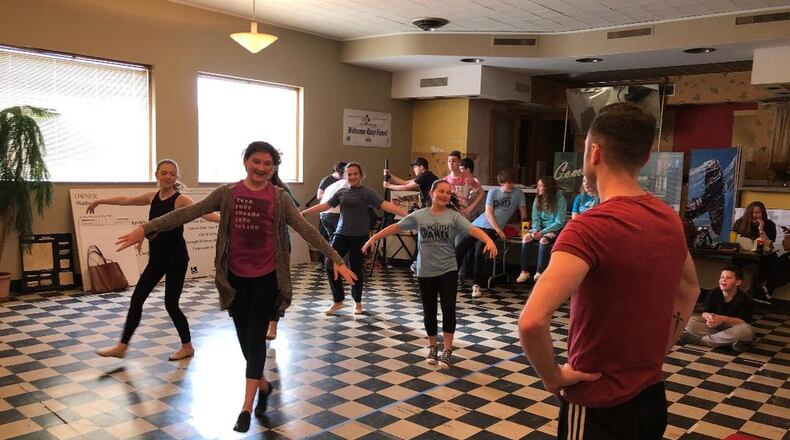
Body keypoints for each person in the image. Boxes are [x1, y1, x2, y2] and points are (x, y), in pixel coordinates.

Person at [115, 142, 356, 433]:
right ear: (246, 162)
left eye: (269, 164)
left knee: (255, 339)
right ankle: (263, 385)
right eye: (257, 162)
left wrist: (335, 258)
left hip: (267, 278)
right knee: (245, 340)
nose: (262, 168)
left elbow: (305, 229)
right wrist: (146, 228)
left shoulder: (279, 198)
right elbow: (186, 214)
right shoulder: (227, 193)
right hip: (235, 279)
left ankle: (246, 407)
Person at [518, 103, 700, 440]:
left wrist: (552, 377)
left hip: (597, 405)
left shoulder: (588, 228)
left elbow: (531, 321)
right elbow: (690, 289)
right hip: (651, 398)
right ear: (645, 157)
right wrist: (662, 347)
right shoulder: (668, 220)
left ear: (594, 152)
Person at [92, 159, 219, 361]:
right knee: (137, 299)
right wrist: (100, 201)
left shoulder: (181, 200)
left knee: (171, 304)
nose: (168, 177)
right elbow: (126, 200)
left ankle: (187, 346)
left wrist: (229, 220)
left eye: (172, 174)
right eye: (164, 173)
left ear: (176, 177)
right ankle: (122, 346)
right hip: (157, 258)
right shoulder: (152, 197)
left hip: (176, 258)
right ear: (156, 175)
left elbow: (207, 214)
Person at [362, 180, 497, 368]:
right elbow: (396, 227)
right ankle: (433, 347)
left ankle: (447, 350)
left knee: (448, 310)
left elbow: (473, 229)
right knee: (429, 311)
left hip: (448, 270)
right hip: (425, 271)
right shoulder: (419, 216)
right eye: (441, 191)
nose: (444, 195)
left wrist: (489, 240)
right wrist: (374, 238)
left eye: (448, 193)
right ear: (432, 193)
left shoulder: (453, 216)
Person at [301, 162, 407, 315]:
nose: (352, 177)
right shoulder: (342, 192)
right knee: (330, 263)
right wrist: (304, 213)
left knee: (355, 268)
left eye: (355, 174)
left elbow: (385, 205)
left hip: (360, 236)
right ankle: (338, 301)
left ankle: (357, 302)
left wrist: (407, 214)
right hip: (341, 233)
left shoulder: (367, 192)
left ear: (360, 175)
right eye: (349, 174)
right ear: (345, 176)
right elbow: (325, 206)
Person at [455, 168, 526, 298]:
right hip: (478, 224)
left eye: (511, 182)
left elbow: (523, 213)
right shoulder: (493, 192)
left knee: (480, 250)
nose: (510, 185)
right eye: (506, 182)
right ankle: (451, 278)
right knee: (460, 246)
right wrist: (500, 231)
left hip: (492, 229)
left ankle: (476, 285)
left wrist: (525, 228)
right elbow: (488, 212)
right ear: (501, 182)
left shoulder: (518, 193)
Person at [680, 266, 755, 353]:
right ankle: (729, 343)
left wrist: (722, 318)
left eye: (728, 278)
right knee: (690, 321)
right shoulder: (713, 293)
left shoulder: (745, 299)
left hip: (734, 328)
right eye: (722, 277)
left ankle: (700, 341)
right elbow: (705, 312)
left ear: (737, 282)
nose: (724, 280)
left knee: (747, 330)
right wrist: (710, 317)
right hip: (715, 328)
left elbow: (743, 321)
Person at [265, 168, 300, 341]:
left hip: (280, 244)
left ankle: (273, 324)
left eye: (270, 164)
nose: (264, 169)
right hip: (257, 245)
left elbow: (295, 215)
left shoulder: (282, 190)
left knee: (277, 285)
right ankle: (261, 322)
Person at [516, 176, 567, 283]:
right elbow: (535, 218)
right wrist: (535, 230)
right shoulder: (537, 199)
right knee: (526, 238)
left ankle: (539, 272)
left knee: (543, 240)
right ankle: (524, 271)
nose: (538, 188)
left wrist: (543, 232)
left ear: (548, 188)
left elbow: (559, 222)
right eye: (538, 186)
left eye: (541, 186)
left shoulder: (560, 199)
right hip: (539, 229)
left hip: (554, 229)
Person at [733, 201, 777, 300]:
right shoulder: (740, 222)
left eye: (758, 212)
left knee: (771, 259)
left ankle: (754, 290)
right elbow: (734, 238)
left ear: (763, 213)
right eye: (752, 213)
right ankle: (734, 290)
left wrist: (761, 229)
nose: (754, 215)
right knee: (734, 262)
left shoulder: (769, 224)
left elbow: (770, 244)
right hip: (743, 255)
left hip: (761, 257)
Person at [315, 162, 347, 271]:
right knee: (323, 236)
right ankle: (321, 261)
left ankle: (335, 264)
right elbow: (319, 196)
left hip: (338, 212)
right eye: (341, 173)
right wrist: (334, 195)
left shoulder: (344, 180)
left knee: (335, 239)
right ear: (336, 171)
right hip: (326, 210)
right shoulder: (327, 180)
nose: (344, 176)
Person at [444, 151, 483, 220]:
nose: (451, 163)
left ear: (459, 162)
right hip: (448, 215)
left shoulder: (467, 178)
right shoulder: (445, 180)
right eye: (449, 161)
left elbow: (482, 193)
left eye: (454, 161)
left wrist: (470, 208)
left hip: (462, 215)